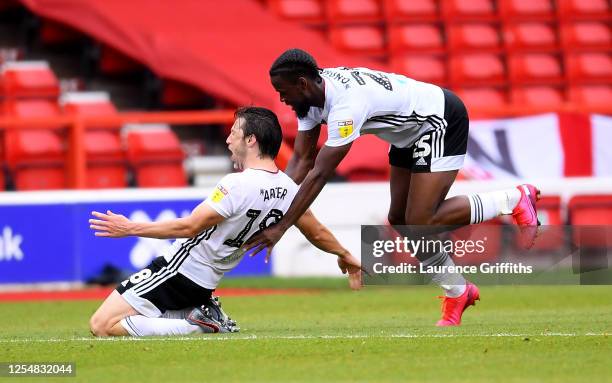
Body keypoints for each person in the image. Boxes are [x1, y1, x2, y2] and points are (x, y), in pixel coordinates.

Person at [245, 48, 540, 327]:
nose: (281, 99)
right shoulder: (309, 98)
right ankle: (457, 291)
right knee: (402, 220)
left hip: (438, 120)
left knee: (421, 219)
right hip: (406, 134)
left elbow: (319, 172)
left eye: (283, 92)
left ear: (302, 83)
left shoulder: (346, 105)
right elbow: (300, 160)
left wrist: (280, 228)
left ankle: (514, 199)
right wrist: (272, 205)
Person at [88, 106, 361, 337]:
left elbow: (189, 227)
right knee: (141, 317)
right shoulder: (289, 190)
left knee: (101, 325)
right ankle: (202, 311)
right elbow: (317, 232)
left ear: (251, 140)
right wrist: (345, 254)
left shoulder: (237, 184)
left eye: (234, 132)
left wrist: (129, 228)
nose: (229, 139)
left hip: (178, 270)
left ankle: (196, 324)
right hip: (206, 282)